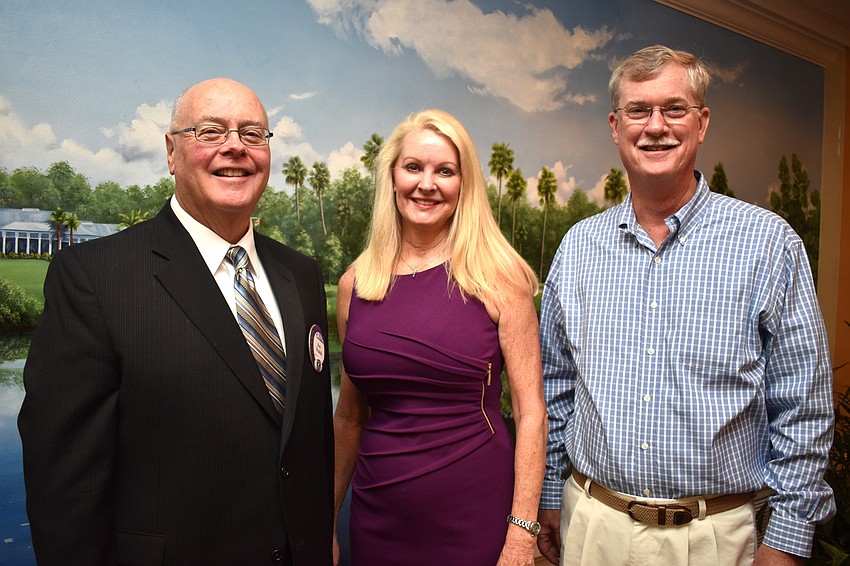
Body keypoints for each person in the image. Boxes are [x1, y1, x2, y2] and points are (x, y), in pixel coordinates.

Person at [537, 45, 835, 566]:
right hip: (593, 526)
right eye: (638, 110)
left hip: (717, 537)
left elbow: (804, 407)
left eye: (674, 109)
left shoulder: (768, 244)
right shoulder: (578, 247)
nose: (656, 126)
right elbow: (555, 386)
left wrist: (785, 541)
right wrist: (547, 496)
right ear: (614, 125)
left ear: (702, 123)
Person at [19, 78, 334, 565]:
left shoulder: (301, 276)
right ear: (171, 151)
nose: (235, 147)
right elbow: (65, 491)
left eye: (253, 134)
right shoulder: (94, 278)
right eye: (210, 131)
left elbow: (305, 443)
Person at [333, 109, 547, 565]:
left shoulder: (499, 279)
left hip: (474, 514)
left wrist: (522, 534)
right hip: (376, 514)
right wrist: (325, 522)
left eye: (444, 171)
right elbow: (350, 418)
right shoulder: (357, 284)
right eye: (413, 167)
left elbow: (531, 414)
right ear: (392, 177)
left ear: (463, 185)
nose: (426, 184)